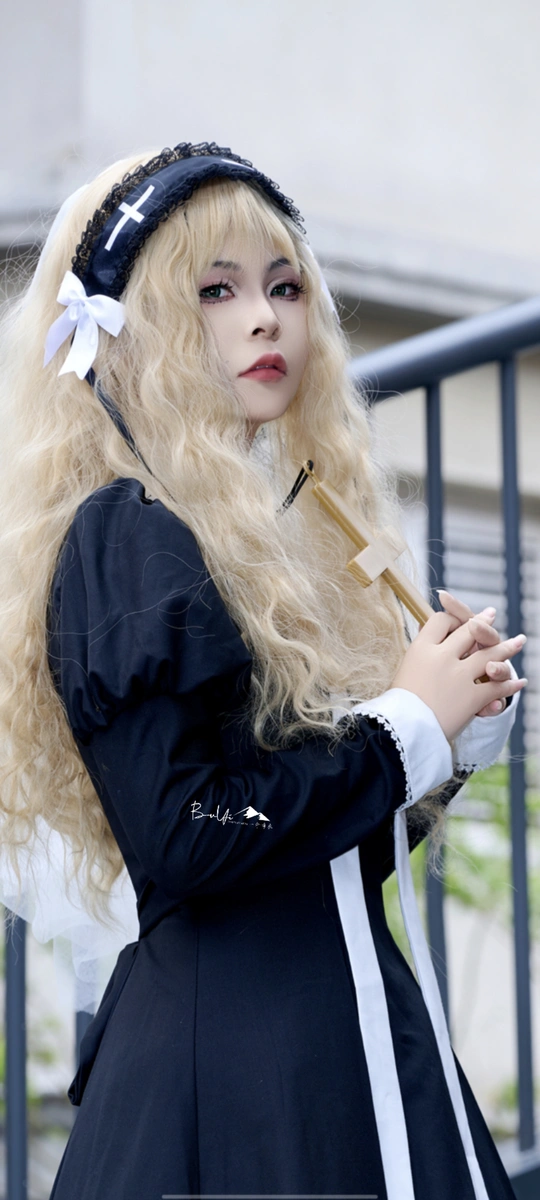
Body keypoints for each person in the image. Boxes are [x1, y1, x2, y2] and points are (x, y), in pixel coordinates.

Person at [0, 142, 526, 1200]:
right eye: (216, 290)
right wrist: (402, 729)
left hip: (337, 1045)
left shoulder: (258, 540)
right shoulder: (130, 533)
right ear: (135, 325)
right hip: (237, 1084)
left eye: (284, 287)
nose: (263, 319)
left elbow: (309, 854)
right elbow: (195, 833)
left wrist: (450, 735)